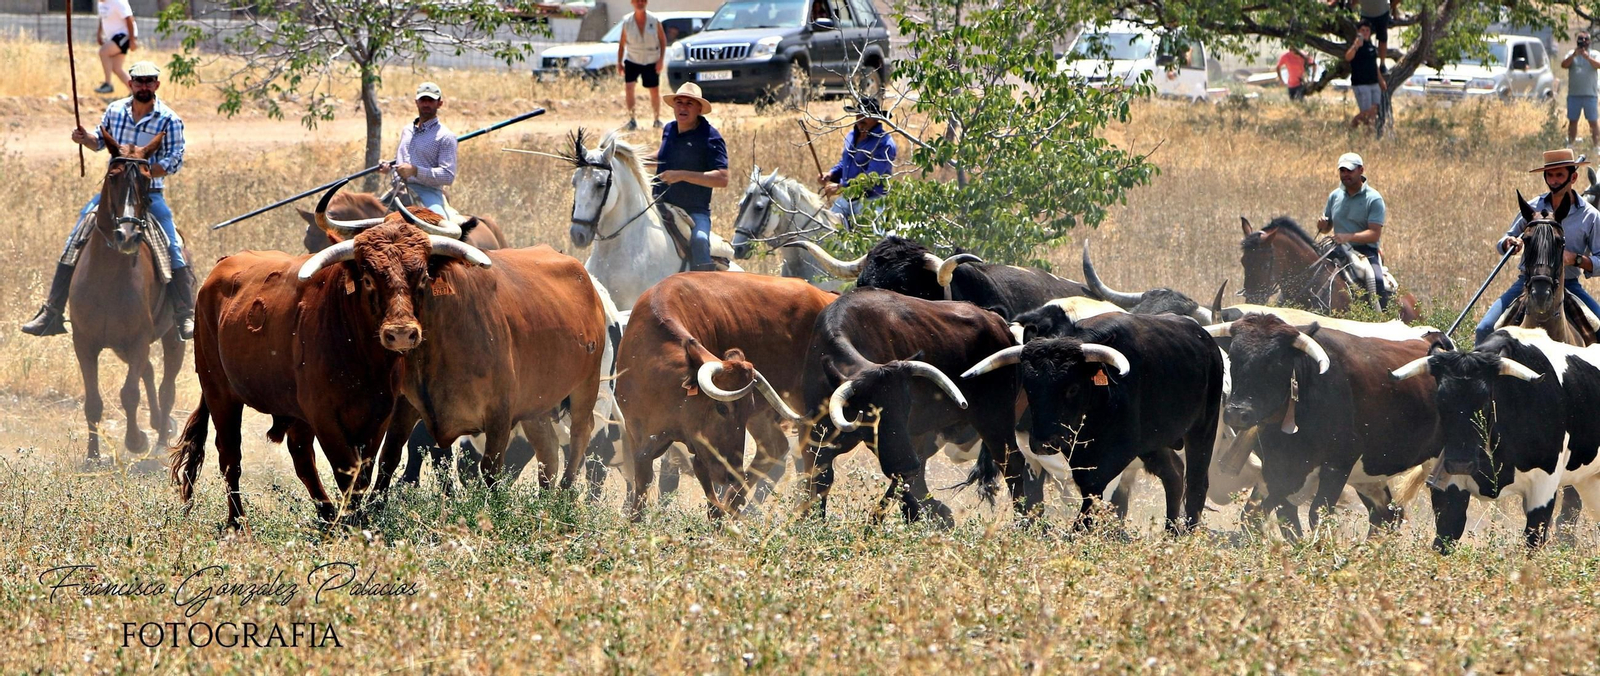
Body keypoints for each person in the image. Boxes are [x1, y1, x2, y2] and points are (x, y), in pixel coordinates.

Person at [23, 61, 194, 339]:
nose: (144, 86)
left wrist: (142, 172)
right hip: (111, 195)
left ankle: (185, 314)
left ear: (157, 86)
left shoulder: (169, 119)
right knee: (75, 237)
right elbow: (98, 142)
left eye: (149, 81)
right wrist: (84, 137)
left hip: (149, 195)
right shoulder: (115, 110)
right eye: (139, 81)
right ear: (130, 84)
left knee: (173, 245)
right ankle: (51, 311)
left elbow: (174, 160)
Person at [1475, 149, 1600, 344]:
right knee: (1484, 329)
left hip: (1569, 285)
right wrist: (1510, 243)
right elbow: (1505, 240)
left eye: (1560, 175)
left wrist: (1575, 259)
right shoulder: (1532, 208)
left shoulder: (1590, 216)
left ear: (1573, 177)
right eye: (1550, 175)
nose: (1554, 180)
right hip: (1529, 282)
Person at [654, 83, 729, 271]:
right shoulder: (669, 129)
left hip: (694, 211)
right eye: (679, 102)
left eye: (689, 103)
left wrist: (681, 175)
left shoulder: (711, 137)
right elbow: (664, 155)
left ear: (699, 109)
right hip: (660, 203)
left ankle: (705, 284)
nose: (682, 107)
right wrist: (633, 158)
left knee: (700, 240)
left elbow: (722, 178)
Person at [1316, 152, 1391, 310]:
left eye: (1350, 171)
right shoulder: (1335, 196)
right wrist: (1322, 225)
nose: (1345, 175)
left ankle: (1381, 316)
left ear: (1361, 170)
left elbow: (1374, 234)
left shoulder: (1373, 198)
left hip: (1364, 251)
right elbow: (1327, 227)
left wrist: (1348, 237)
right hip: (1337, 248)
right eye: (1342, 171)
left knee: (1375, 279)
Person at [380, 82, 458, 220]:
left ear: (440, 103)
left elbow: (447, 176)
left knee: (446, 229)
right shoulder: (407, 130)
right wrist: (389, 168)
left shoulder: (446, 136)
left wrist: (415, 171)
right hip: (397, 192)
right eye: (423, 100)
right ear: (416, 102)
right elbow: (401, 164)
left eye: (431, 100)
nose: (426, 104)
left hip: (428, 194)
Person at [818, 98, 896, 228]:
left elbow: (871, 178)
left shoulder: (884, 144)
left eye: (865, 116)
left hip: (871, 201)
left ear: (877, 118)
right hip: (847, 199)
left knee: (873, 242)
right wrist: (831, 174)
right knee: (826, 230)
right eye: (858, 115)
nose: (860, 119)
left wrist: (840, 187)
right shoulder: (851, 136)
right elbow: (845, 162)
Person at [617, 0, 668, 131]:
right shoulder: (627, 21)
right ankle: (632, 119)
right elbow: (622, 43)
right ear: (632, 2)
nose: (640, 3)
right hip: (633, 58)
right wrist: (619, 62)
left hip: (651, 59)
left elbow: (662, 40)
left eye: (642, 1)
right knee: (629, 87)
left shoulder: (654, 20)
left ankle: (656, 119)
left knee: (654, 90)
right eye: (637, 1)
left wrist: (661, 60)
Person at [1562, 32, 1600, 151]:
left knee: (1593, 122)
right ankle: (1571, 144)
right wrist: (1574, 55)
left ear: (1589, 41)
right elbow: (1564, 65)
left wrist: (1587, 57)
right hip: (1574, 94)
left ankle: (1597, 146)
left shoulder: (1594, 54)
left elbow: (1598, 65)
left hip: (1590, 94)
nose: (1583, 42)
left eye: (1585, 39)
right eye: (1580, 39)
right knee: (1573, 121)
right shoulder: (1571, 53)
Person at [1345, 21, 1385, 129]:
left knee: (1373, 112)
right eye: (1363, 30)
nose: (1365, 32)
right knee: (1366, 113)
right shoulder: (1355, 45)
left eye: (1367, 30)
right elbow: (1348, 57)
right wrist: (1355, 46)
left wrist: (1381, 79)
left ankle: (1368, 139)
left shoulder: (1371, 46)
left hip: (1374, 83)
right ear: (1358, 31)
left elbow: (1374, 64)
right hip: (1361, 83)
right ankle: (1351, 126)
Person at [95, 0, 136, 94]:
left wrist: (132, 40)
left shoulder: (118, 2)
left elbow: (129, 19)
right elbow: (102, 18)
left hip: (124, 35)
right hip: (113, 37)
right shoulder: (100, 3)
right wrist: (99, 34)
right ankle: (135, 91)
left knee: (103, 52)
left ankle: (108, 84)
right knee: (116, 68)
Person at [1355, 0, 1397, 71]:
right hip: (1366, 14)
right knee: (1364, 40)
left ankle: (1382, 64)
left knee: (1382, 39)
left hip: (1382, 13)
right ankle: (1367, 63)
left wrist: (1392, 9)